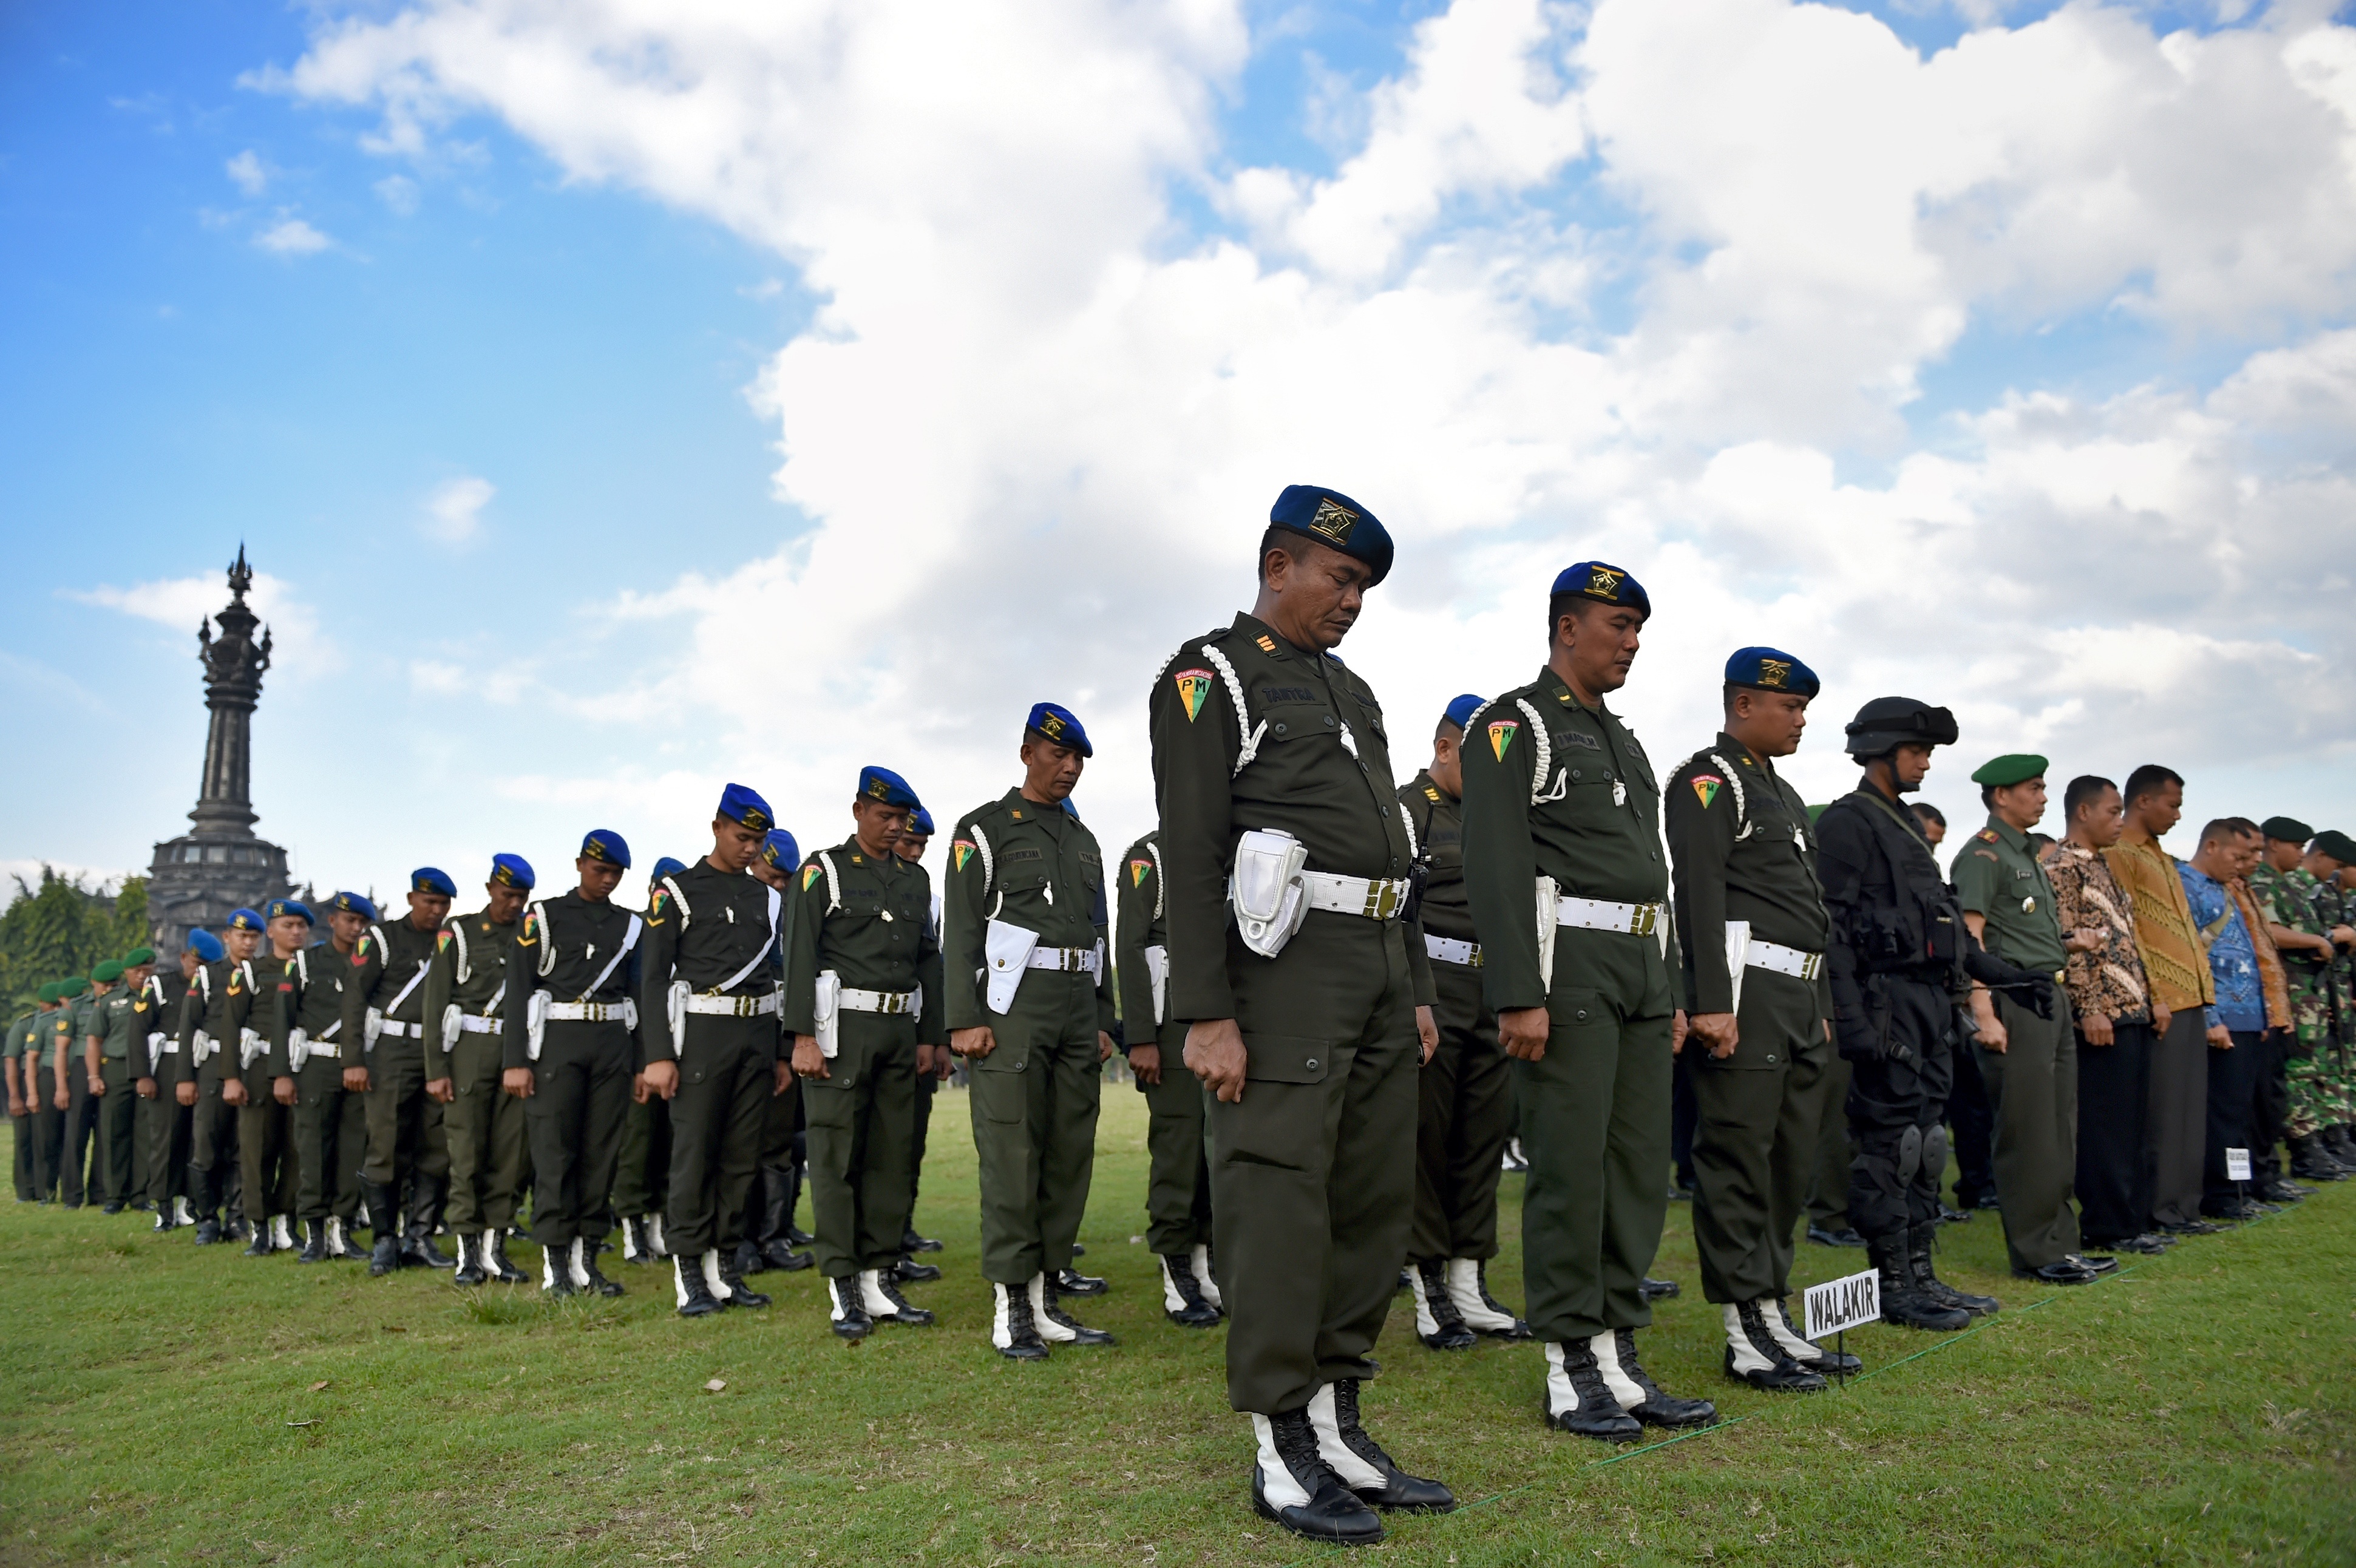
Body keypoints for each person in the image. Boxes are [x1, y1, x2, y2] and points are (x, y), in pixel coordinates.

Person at [1150, 484, 1451, 1543]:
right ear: (1279, 565)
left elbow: (1396, 861)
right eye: (1340, 577)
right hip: (1283, 972)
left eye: (1364, 585)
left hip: (1377, 963)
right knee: (1280, 1202)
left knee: (1370, 1201)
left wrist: (1416, 987)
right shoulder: (1212, 675)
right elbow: (1192, 849)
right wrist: (1205, 1011)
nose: (1353, 599)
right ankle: (1280, 1440)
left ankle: (1335, 1418)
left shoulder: (1352, 690)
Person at [1462, 561, 1715, 1444]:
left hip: (1640, 966)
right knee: (1571, 1169)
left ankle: (1616, 1354)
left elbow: (1655, 875)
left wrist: (1672, 987)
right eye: (1619, 625)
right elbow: (1494, 858)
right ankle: (1570, 1365)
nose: (1632, 642)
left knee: (1636, 1170)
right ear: (1567, 627)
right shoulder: (1515, 724)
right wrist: (1516, 993)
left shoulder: (1623, 740)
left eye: (1639, 628)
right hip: (1566, 964)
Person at [1815, 699, 2045, 1332]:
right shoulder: (1847, 822)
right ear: (1880, 752)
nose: (1923, 763)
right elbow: (1831, 928)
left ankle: (1921, 1275)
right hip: (1883, 1004)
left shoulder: (1905, 825)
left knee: (1927, 1143)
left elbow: (1946, 927)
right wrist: (1851, 1021)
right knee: (1890, 1146)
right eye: (1915, 752)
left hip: (1927, 1005)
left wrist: (2009, 977)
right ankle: (1892, 1285)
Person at [1666, 648, 1856, 1393]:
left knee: (1787, 1163)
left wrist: (1824, 1008)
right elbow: (1699, 893)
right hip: (1747, 993)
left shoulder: (1778, 791)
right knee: (1738, 1158)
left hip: (1798, 998)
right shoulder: (1708, 781)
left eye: (1804, 708)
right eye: (1791, 707)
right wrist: (1710, 1001)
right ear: (1743, 705)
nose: (1801, 721)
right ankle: (1743, 1329)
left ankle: (1770, 1308)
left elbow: (1809, 913)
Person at [945, 707, 1121, 1356]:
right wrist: (963, 1018)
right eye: (1058, 754)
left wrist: (1103, 1017)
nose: (1069, 767)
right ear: (1027, 753)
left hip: (1076, 1008)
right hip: (1012, 1010)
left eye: (1077, 759)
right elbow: (961, 929)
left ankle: (1046, 1300)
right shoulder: (983, 831)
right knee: (1013, 1155)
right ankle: (1011, 1307)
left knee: (1068, 1154)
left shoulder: (1084, 840)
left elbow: (1098, 935)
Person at [784, 770, 946, 1338]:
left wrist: (930, 1036)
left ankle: (879, 1277)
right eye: (885, 816)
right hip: (840, 1032)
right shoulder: (822, 871)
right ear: (858, 810)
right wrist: (801, 1036)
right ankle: (844, 1284)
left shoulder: (914, 878)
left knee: (890, 1157)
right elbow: (799, 954)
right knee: (836, 1159)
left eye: (903, 818)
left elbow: (928, 959)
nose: (896, 827)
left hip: (899, 1029)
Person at [1399, 691, 1527, 1351]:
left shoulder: (1498, 817)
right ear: (1444, 749)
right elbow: (1396, 910)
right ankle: (1429, 1290)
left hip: (1491, 988)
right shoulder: (1405, 810)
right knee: (1428, 1142)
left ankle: (1469, 1281)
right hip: (1432, 986)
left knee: (1483, 1139)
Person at [1954, 756, 2107, 1285]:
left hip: (2048, 995)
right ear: (2001, 795)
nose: (2043, 797)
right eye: (2034, 788)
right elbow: (1969, 940)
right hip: (2012, 1001)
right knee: (2027, 1131)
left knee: (2059, 1126)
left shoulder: (2026, 853)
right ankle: (2035, 1251)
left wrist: (2069, 945)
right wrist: (1982, 1012)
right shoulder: (1982, 854)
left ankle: (2061, 1245)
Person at [639, 784, 787, 1317]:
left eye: (758, 841)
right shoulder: (677, 892)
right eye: (742, 837)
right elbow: (652, 978)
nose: (750, 849)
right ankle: (689, 1275)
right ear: (717, 828)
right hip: (701, 1035)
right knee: (694, 1155)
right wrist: (659, 1055)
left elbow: (776, 976)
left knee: (740, 1157)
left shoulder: (766, 897)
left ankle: (724, 1270)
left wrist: (781, 1052)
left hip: (756, 1036)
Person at [508, 829, 642, 1298]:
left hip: (612, 1044)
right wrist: (515, 1061)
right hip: (556, 1043)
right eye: (599, 869)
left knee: (600, 1155)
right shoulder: (543, 917)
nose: (607, 879)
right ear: (580, 863)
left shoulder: (630, 926)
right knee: (554, 1153)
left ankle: (587, 1262)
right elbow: (518, 989)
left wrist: (643, 1063)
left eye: (615, 873)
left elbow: (640, 995)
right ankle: (556, 1266)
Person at [2039, 778, 2171, 1255]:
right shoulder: (2060, 867)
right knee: (2105, 1128)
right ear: (2083, 812)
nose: (2119, 821)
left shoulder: (2103, 865)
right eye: (2112, 811)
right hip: (2102, 1015)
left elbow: (2126, 940)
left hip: (2131, 1008)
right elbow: (2067, 941)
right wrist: (2090, 1007)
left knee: (2132, 1123)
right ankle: (2107, 1225)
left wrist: (2151, 998)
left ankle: (2132, 1218)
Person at [2103, 766, 2221, 1236]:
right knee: (2164, 1113)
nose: (2177, 814)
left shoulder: (2161, 856)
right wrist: (2153, 993)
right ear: (2143, 801)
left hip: (2190, 996)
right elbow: (2127, 929)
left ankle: (2184, 1207)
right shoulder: (2120, 852)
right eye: (2171, 805)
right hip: (2161, 999)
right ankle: (2160, 1209)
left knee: (2189, 1111)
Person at [1115, 821, 1222, 1328]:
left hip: (1223, 1025)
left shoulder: (1225, 851)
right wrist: (1140, 1036)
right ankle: (1176, 1269)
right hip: (1170, 1028)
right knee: (1179, 1153)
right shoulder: (1149, 858)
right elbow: (1131, 947)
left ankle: (1204, 1266)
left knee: (1212, 1154)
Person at [424, 855, 535, 1286]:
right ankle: (468, 1252)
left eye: (522, 897)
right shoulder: (459, 932)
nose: (515, 904)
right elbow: (435, 1002)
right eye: (508, 895)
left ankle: (496, 1248)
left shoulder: (532, 933)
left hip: (517, 1050)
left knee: (511, 1153)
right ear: (491, 889)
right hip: (469, 1048)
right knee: (467, 1151)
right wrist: (436, 1068)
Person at [345, 869, 459, 1276]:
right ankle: (384, 1240)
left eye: (443, 904)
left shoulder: (451, 941)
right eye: (429, 902)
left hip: (438, 1051)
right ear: (412, 899)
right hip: (391, 1051)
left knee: (436, 1144)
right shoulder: (382, 938)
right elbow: (355, 997)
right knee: (386, 1143)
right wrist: (353, 1059)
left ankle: (420, 1236)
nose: (436, 910)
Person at [2177, 820, 2288, 1220]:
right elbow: (2191, 958)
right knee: (2222, 1114)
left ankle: (2239, 1188)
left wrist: (2263, 1013)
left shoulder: (2227, 889)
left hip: (2249, 1018)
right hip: (2221, 1018)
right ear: (2211, 846)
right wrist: (2211, 1017)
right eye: (2237, 856)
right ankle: (2221, 1193)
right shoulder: (2185, 885)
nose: (2243, 865)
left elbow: (2248, 957)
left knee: (2240, 1113)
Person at [2247, 817, 2348, 1183]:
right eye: (2296, 846)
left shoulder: (2288, 886)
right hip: (2289, 993)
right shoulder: (2263, 883)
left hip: (2309, 994)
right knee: (2296, 1071)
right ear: (2274, 844)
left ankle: (2316, 1144)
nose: (2301, 854)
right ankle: (2303, 1149)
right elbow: (2270, 932)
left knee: (2311, 1070)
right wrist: (2317, 941)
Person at [738, 828, 816, 1280]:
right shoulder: (737, 906)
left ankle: (773, 1236)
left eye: (787, 879)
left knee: (780, 1141)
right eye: (773, 877)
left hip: (782, 1035)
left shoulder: (793, 911)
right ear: (754, 863)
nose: (780, 886)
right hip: (739, 1034)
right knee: (739, 1143)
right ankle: (741, 1240)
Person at [277, 892, 372, 1261]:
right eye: (349, 920)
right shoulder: (305, 964)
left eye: (363, 922)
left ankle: (342, 1229)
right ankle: (315, 1233)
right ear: (332, 921)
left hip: (359, 1066)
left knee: (352, 1149)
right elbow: (283, 1019)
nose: (356, 928)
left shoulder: (372, 962)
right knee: (314, 1148)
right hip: (316, 1065)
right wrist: (282, 1074)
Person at [614, 856, 686, 1265]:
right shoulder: (637, 934)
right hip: (641, 1059)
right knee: (637, 1145)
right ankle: (631, 1230)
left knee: (669, 1145)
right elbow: (636, 1003)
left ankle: (658, 1227)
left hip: (681, 1056)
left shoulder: (689, 933)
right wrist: (641, 1063)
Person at [231, 900, 310, 1255]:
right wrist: (231, 1078)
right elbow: (231, 1025)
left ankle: (287, 1223)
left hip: (303, 1066)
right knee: (256, 1149)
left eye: (301, 926)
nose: (295, 932)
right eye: (287, 925)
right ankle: (259, 1227)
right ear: (271, 931)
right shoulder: (252, 972)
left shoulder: (313, 969)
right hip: (259, 1067)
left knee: (298, 1149)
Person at [181, 912, 263, 1244]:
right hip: (212, 1067)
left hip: (251, 1066)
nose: (248, 943)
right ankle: (207, 1219)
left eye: (254, 937)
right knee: (206, 1144)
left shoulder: (264, 973)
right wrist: (185, 1078)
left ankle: (238, 1217)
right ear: (227, 937)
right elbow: (189, 1027)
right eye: (242, 936)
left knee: (244, 1148)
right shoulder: (208, 976)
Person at [894, 807, 949, 1263]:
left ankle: (902, 1228)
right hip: (874, 1028)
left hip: (919, 1035)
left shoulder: (929, 898)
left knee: (911, 1140)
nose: (914, 853)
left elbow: (935, 972)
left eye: (921, 846)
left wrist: (938, 1038)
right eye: (907, 843)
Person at [139, 940, 205, 1229]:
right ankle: (164, 1206)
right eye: (196, 963)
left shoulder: (213, 986)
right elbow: (138, 1030)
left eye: (205, 966)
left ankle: (190, 1204)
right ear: (183, 958)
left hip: (201, 1064)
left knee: (196, 1139)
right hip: (167, 1066)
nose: (199, 970)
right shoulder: (160, 985)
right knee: (165, 1139)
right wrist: (143, 1075)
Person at [87, 955, 148, 1212]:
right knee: (114, 1132)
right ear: (126, 972)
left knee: (145, 1133)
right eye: (137, 970)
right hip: (116, 1067)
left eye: (147, 970)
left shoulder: (158, 997)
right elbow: (94, 1040)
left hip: (149, 1069)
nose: (142, 975)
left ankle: (141, 1195)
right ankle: (114, 1196)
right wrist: (94, 1077)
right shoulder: (110, 1001)